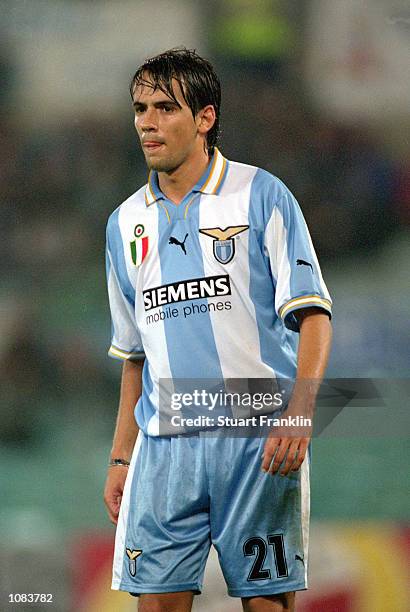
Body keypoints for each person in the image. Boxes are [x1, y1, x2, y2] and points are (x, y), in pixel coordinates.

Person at [103, 48, 332, 612]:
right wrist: (120, 459)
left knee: (266, 605)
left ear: (205, 117)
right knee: (155, 605)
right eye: (139, 109)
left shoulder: (261, 194)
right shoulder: (124, 224)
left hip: (255, 441)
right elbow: (135, 354)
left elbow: (315, 315)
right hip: (164, 451)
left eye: (163, 108)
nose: (147, 123)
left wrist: (299, 414)